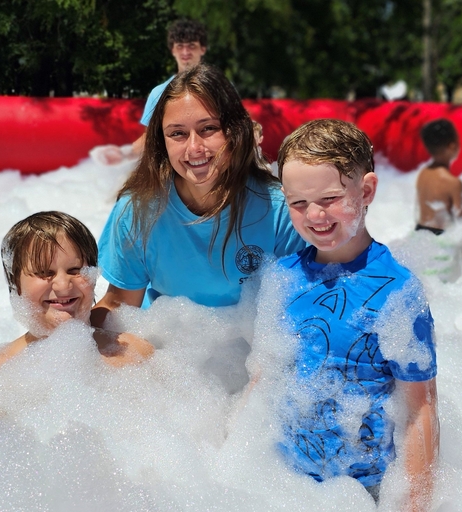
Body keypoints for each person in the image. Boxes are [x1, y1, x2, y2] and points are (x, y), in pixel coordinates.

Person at [268, 119, 439, 509]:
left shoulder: (398, 292)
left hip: (366, 492)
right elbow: (265, 379)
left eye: (329, 199)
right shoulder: (281, 278)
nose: (315, 215)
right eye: (298, 203)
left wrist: (412, 503)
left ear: (366, 190)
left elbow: (420, 411)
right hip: (283, 485)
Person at [91, 63, 306, 326]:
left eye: (208, 129)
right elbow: (119, 305)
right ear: (162, 142)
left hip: (250, 349)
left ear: (235, 131)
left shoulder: (279, 211)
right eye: (177, 133)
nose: (194, 148)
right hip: (166, 344)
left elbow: (297, 310)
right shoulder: (138, 211)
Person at [0, 211, 154, 369]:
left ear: (93, 276)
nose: (63, 286)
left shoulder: (136, 355)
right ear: (15, 283)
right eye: (44, 273)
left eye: (75, 270)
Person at [93, 19, 208, 165]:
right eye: (180, 46)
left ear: (202, 49)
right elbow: (150, 138)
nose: (185, 52)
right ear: (173, 50)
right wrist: (124, 154)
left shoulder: (219, 88)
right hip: (176, 170)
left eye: (191, 46)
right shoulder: (159, 93)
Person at [416, 118, 462, 235]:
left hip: (419, 234)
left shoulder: (423, 173)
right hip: (440, 241)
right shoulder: (453, 183)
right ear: (452, 146)